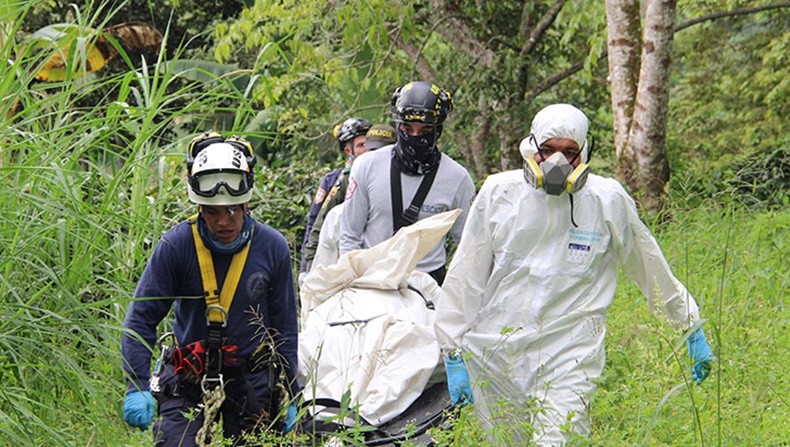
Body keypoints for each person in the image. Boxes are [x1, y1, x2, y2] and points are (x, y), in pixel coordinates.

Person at [435, 104, 714, 446]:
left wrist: (687, 323)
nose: (557, 162)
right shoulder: (499, 193)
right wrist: (452, 349)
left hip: (569, 353)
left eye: (569, 152)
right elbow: (467, 274)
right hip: (497, 352)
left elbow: (648, 263)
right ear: (532, 147)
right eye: (548, 150)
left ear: (584, 154)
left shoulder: (606, 199)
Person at [121, 132, 299, 445]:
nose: (223, 221)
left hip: (251, 377)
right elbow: (141, 320)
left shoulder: (273, 247)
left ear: (246, 201)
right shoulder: (175, 246)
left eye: (232, 209)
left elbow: (284, 328)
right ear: (199, 206)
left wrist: (290, 392)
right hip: (189, 375)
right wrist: (136, 385)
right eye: (212, 211)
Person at [339, 81, 475, 285]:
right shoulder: (366, 166)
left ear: (438, 129)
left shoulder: (457, 178)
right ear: (397, 124)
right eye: (407, 128)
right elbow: (350, 236)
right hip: (372, 280)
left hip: (428, 284)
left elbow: (469, 245)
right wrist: (351, 284)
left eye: (425, 130)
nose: (415, 136)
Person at [306, 123, 397, 271]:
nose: (374, 155)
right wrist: (307, 269)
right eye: (367, 148)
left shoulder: (405, 177)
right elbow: (317, 224)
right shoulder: (342, 179)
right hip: (350, 260)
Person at [299, 118, 372, 274]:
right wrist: (306, 268)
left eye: (369, 144)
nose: (367, 150)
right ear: (348, 151)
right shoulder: (334, 180)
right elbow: (315, 222)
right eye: (361, 145)